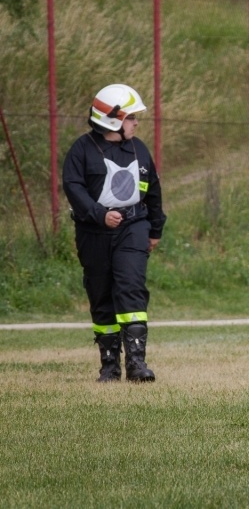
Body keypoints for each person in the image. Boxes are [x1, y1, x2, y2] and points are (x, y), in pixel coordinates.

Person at [62, 84, 167, 383]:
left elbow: (154, 191)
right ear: (113, 119)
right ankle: (109, 366)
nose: (136, 123)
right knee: (101, 293)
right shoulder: (81, 151)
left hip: (133, 229)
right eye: (132, 117)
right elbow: (73, 188)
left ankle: (137, 363)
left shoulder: (139, 148)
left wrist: (155, 228)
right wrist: (99, 215)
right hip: (92, 233)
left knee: (131, 286)